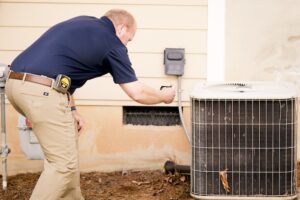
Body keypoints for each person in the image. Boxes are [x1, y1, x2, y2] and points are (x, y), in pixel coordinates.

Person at [5, 9, 175, 200]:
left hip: (15, 85)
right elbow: (137, 92)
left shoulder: (82, 22)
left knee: (69, 162)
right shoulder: (112, 43)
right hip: (41, 93)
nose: (127, 44)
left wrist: (72, 109)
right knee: (63, 167)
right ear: (121, 28)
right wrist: (163, 96)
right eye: (130, 38)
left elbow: (62, 72)